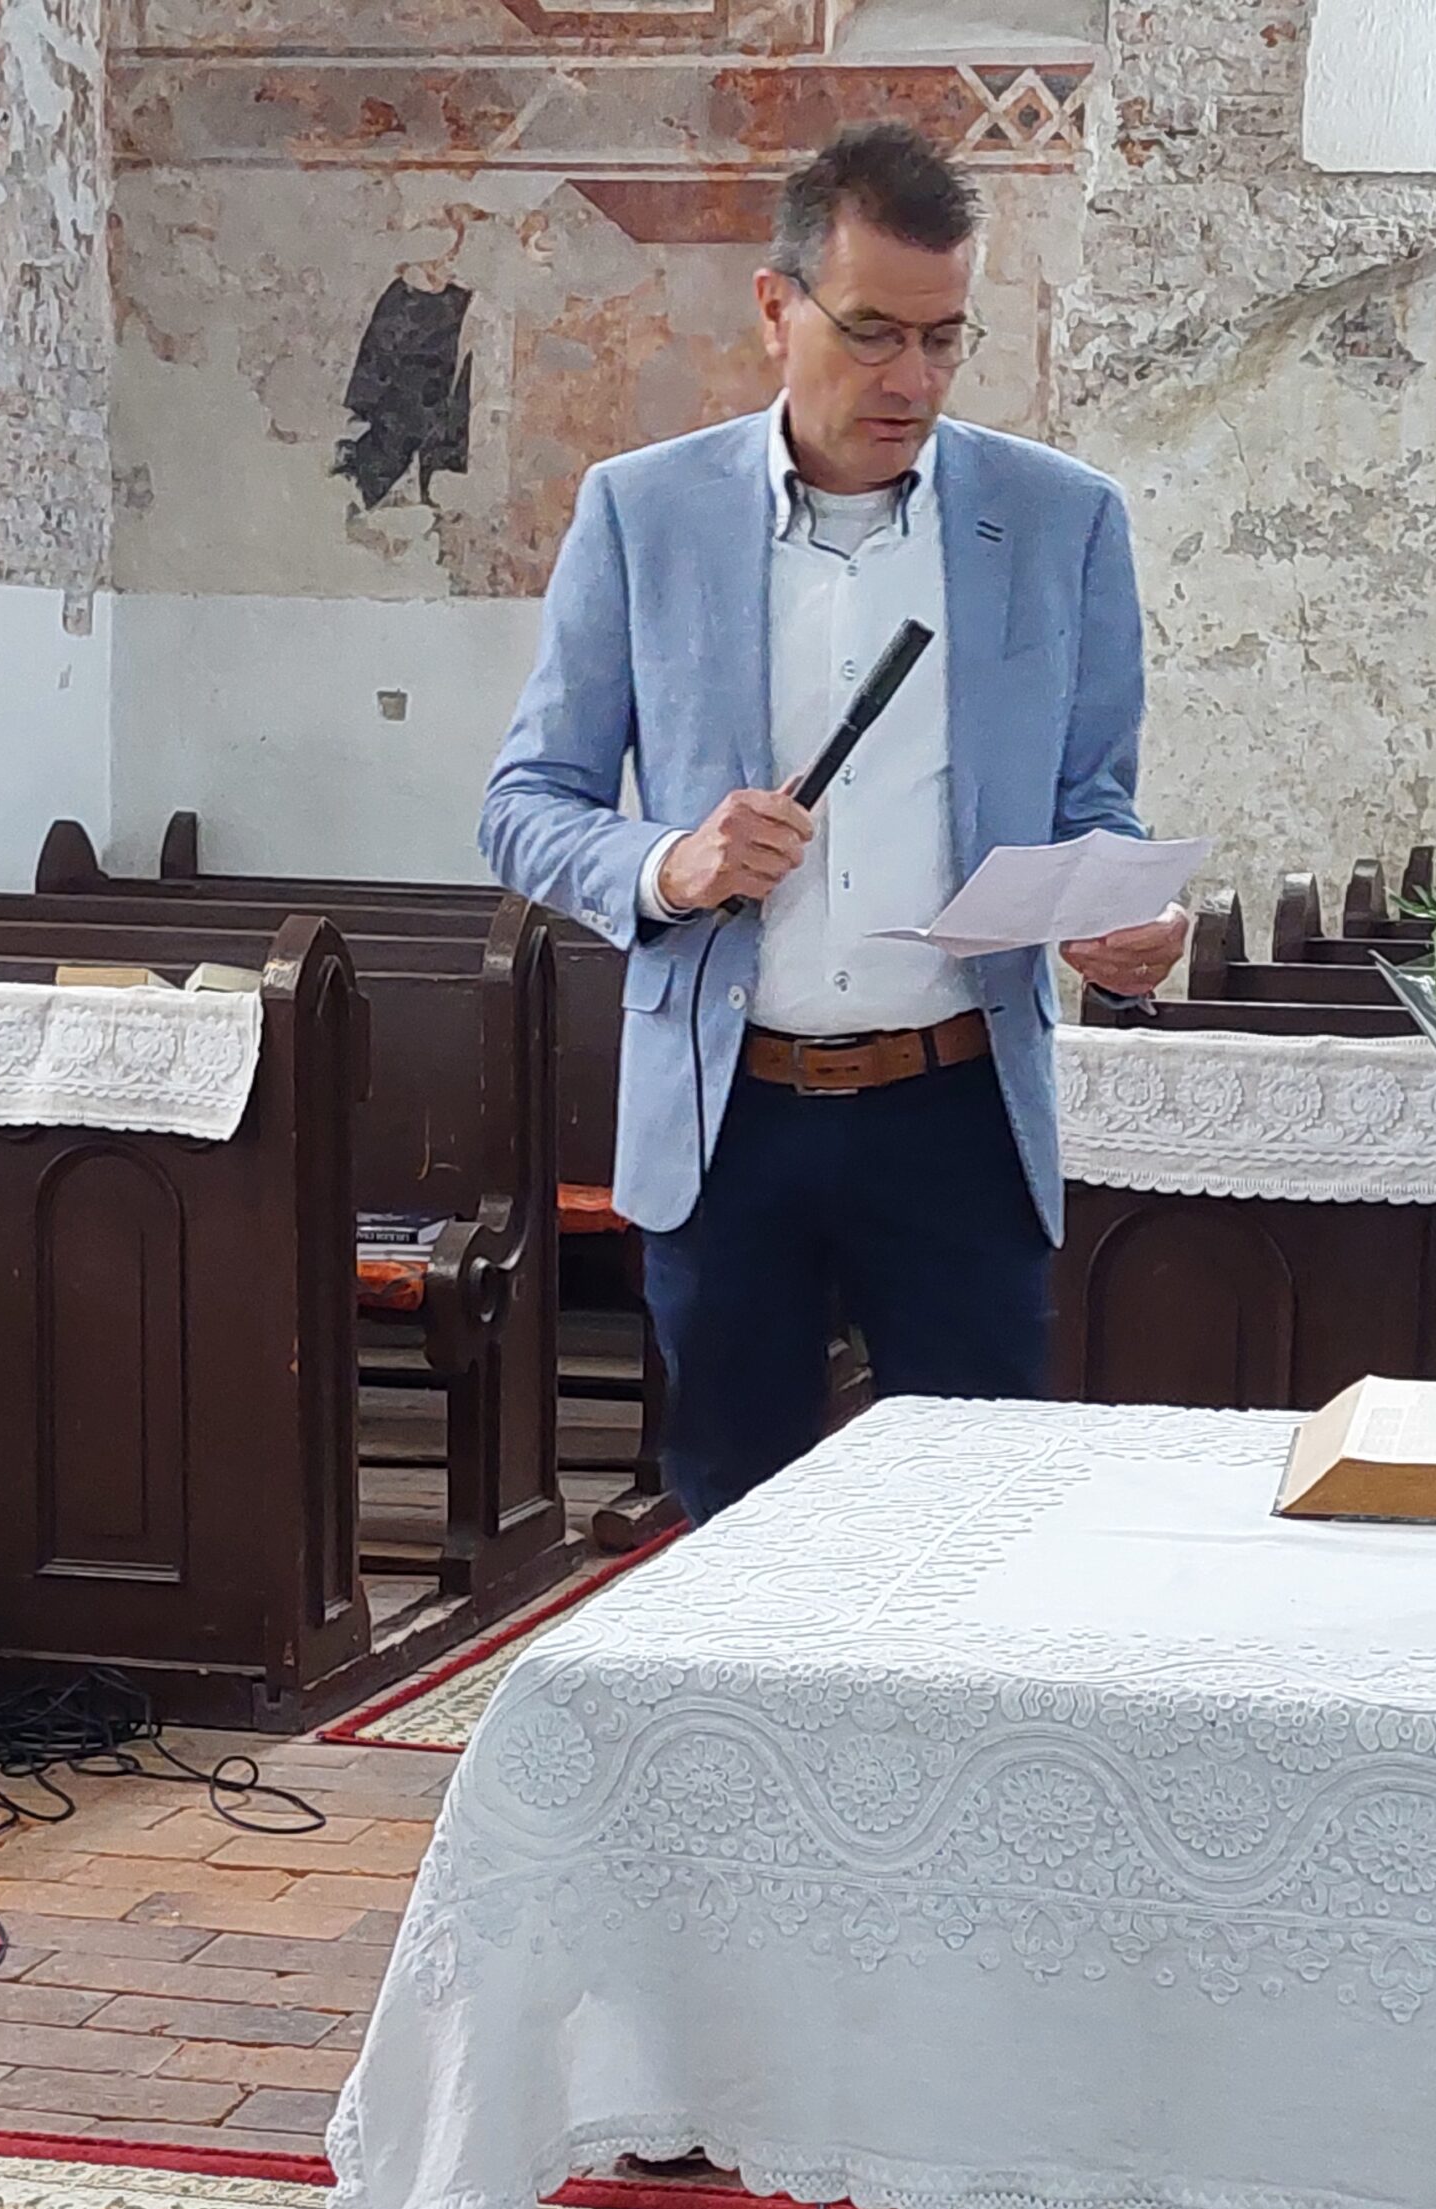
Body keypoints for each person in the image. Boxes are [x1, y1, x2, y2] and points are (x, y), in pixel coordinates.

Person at [482, 120, 1187, 1523]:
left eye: (943, 339)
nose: (910, 379)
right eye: (871, 333)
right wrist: (671, 863)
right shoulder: (642, 514)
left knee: (973, 1523)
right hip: (729, 1112)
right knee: (733, 1520)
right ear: (776, 307)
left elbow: (1093, 803)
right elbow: (525, 807)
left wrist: (1120, 918)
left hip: (958, 1108)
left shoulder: (1063, 522)